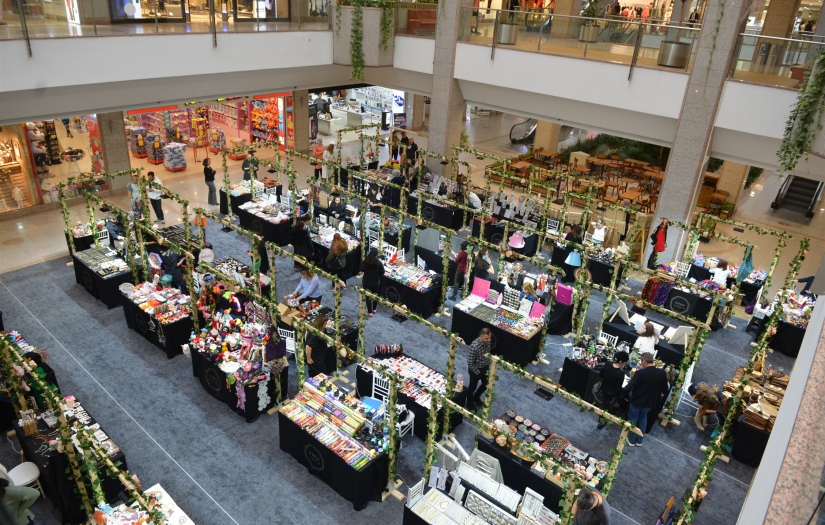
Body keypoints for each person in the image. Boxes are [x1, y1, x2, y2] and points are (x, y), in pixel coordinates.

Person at [622, 352, 669, 446]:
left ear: (643, 361)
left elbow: (627, 387)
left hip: (637, 401)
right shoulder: (662, 373)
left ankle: (631, 440)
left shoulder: (640, 373)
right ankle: (639, 440)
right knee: (643, 417)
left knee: (633, 419)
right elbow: (665, 389)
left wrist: (626, 397)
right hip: (651, 403)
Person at [596, 351, 629, 429]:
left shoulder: (608, 364)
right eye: (625, 362)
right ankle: (601, 422)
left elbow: (601, 375)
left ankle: (601, 421)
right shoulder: (620, 374)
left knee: (604, 406)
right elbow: (618, 388)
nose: (625, 364)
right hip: (611, 393)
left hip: (603, 388)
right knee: (605, 407)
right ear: (621, 362)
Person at [467, 328, 495, 411]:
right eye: (487, 338)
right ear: (481, 336)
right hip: (475, 370)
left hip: (485, 367)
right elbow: (470, 363)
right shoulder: (474, 346)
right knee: (472, 387)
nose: (489, 340)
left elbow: (487, 353)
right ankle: (469, 403)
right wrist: (478, 372)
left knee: (486, 384)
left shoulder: (488, 342)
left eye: (490, 337)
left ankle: (476, 397)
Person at [360, 248, 385, 316]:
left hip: (366, 281)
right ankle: (374, 309)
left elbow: (361, 269)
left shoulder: (366, 261)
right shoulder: (379, 263)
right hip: (376, 282)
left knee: (368, 297)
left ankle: (369, 312)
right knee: (375, 295)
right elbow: (382, 272)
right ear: (376, 255)